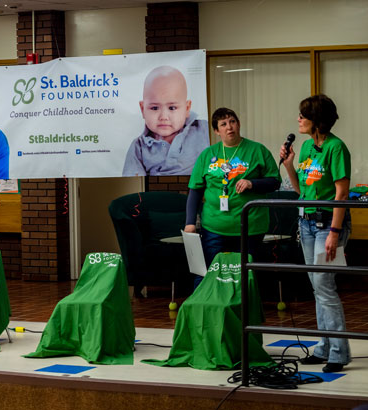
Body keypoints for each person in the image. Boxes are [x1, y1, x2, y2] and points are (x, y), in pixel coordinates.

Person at [280, 94, 351, 373]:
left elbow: (342, 193)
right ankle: (323, 347)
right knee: (317, 288)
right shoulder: (308, 147)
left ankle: (338, 351)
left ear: (317, 120)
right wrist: (288, 165)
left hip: (328, 225)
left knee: (325, 286)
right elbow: (301, 191)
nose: (298, 119)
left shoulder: (336, 147)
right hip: (306, 223)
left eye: (303, 115)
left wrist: (334, 231)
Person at [185, 107, 280, 279]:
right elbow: (195, 191)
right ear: (216, 131)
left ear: (238, 124)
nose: (229, 127)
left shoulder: (257, 150)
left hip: (250, 228)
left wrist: (253, 183)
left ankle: (245, 306)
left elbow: (274, 182)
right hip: (214, 227)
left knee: (245, 275)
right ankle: (207, 306)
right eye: (223, 124)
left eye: (232, 122)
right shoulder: (207, 155)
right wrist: (190, 223)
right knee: (209, 274)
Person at [122, 65, 209, 176]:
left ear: (187, 108)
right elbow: (133, 178)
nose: (163, 116)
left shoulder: (203, 130)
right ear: (143, 109)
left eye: (172, 108)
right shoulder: (139, 146)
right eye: (154, 108)